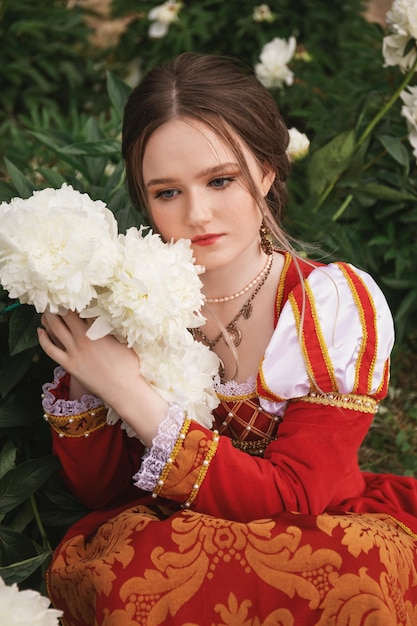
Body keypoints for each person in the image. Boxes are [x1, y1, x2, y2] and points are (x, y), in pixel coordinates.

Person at [38, 52, 417, 626]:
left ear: (266, 169)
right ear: (144, 198)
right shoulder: (128, 301)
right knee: (132, 584)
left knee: (347, 580)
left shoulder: (330, 307)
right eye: (167, 192)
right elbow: (101, 491)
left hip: (313, 528)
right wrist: (92, 376)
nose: (198, 213)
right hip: (170, 529)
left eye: (220, 180)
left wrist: (134, 394)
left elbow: (293, 499)